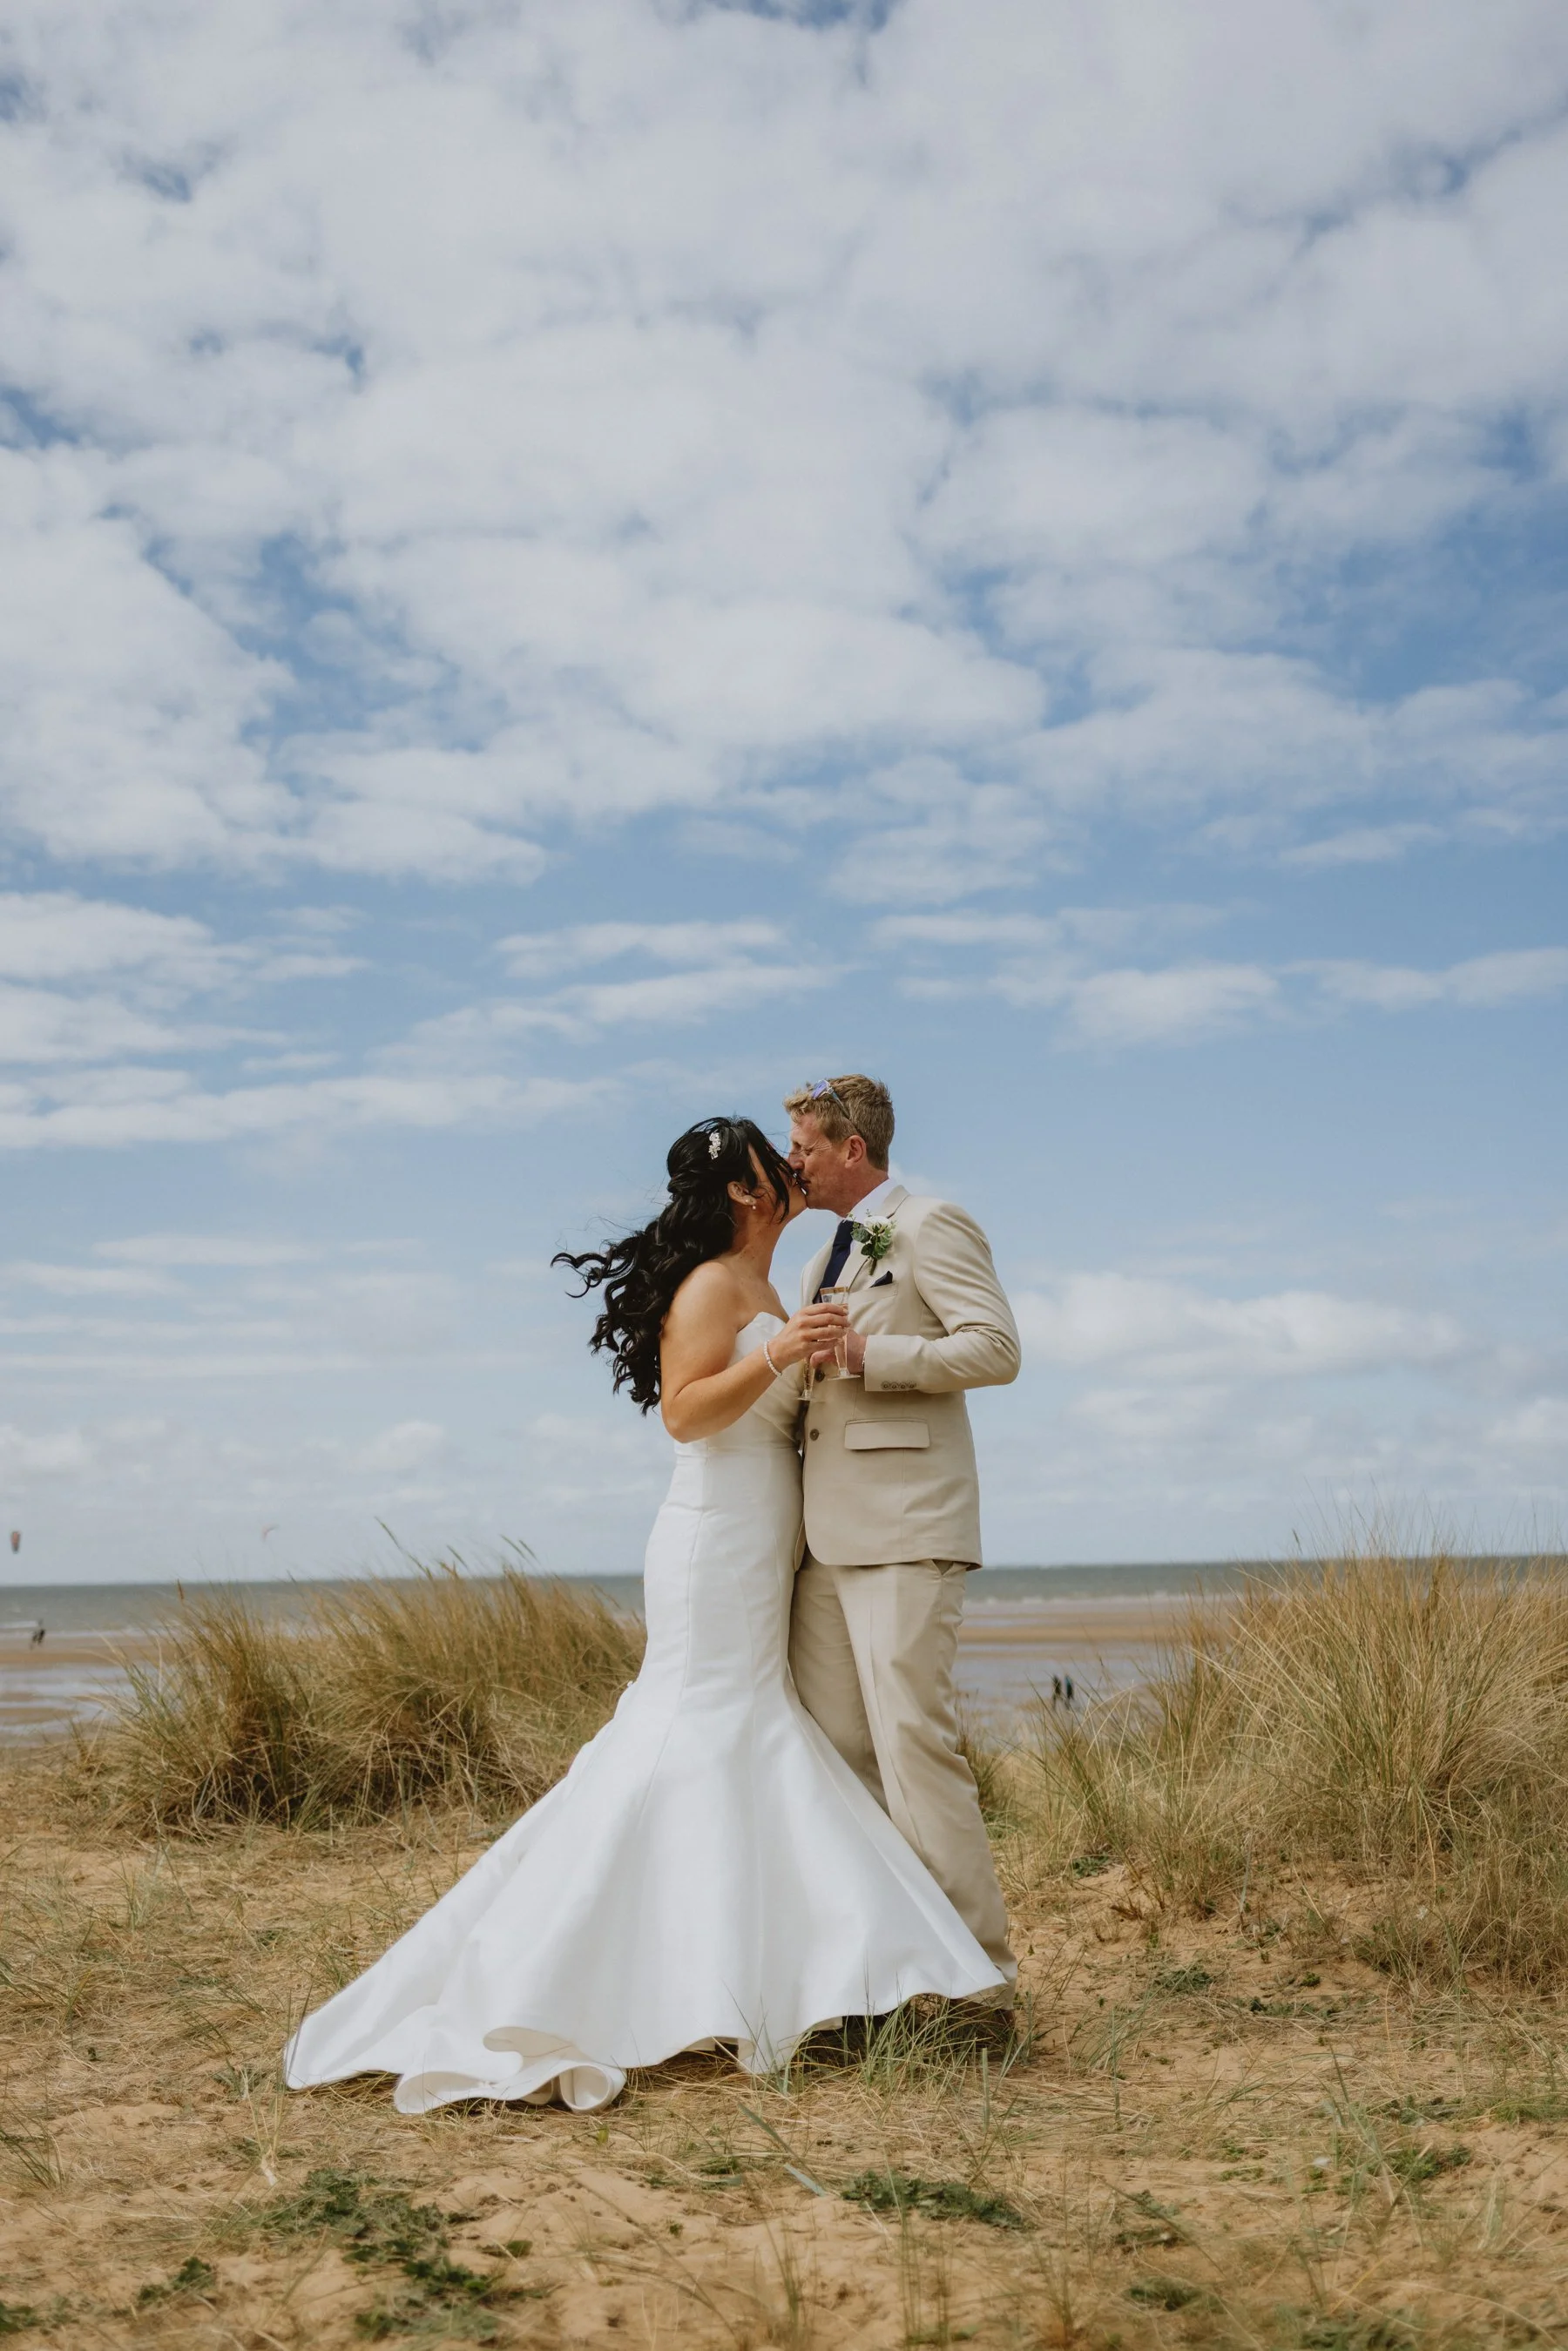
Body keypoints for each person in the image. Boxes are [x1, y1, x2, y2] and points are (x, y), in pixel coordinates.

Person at [282, 1116, 1004, 2118]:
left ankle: (793, 1976)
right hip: (715, 1537)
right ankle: (592, 1964)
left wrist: (808, 1348)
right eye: (776, 1155)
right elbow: (685, 1411)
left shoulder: (777, 1283)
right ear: (749, 1189)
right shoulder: (715, 1286)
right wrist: (780, 1353)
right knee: (696, 1731)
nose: (793, 1166)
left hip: (774, 1536)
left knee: (761, 1739)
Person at [785, 1076, 1020, 1996]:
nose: (791, 1162)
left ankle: (978, 1980)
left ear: (852, 1149)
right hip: (824, 1540)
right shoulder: (820, 1259)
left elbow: (994, 1348)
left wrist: (869, 1355)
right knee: (839, 1753)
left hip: (906, 1528)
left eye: (802, 1145)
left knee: (915, 1747)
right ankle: (892, 1968)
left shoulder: (930, 1223)